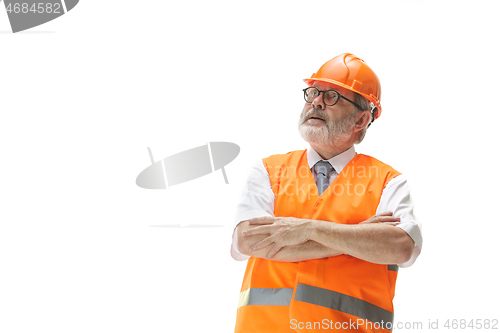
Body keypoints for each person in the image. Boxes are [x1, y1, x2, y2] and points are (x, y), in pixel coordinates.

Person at [230, 53, 423, 333]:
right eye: (313, 92)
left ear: (361, 119)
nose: (316, 101)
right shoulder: (268, 171)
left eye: (332, 96)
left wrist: (307, 229)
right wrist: (357, 238)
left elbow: (401, 247)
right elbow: (249, 241)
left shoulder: (389, 182)